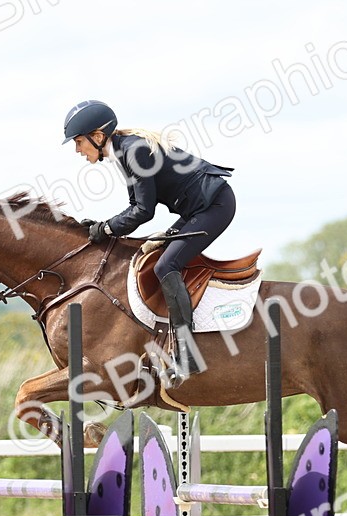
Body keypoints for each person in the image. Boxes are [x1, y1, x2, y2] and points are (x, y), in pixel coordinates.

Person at [62, 100, 236, 388]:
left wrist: (106, 228)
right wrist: (105, 226)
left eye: (79, 142)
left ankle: (187, 355)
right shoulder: (124, 151)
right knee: (154, 256)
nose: (78, 150)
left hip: (214, 206)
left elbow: (144, 210)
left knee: (166, 265)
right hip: (197, 210)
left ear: (98, 136)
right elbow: (136, 205)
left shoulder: (134, 151)